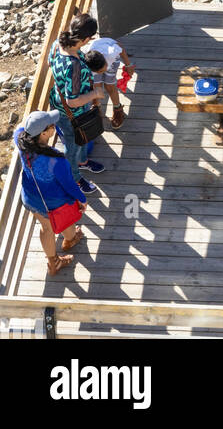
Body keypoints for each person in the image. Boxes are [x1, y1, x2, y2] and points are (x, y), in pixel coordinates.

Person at [14, 110, 90, 276]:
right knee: (67, 220)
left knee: (46, 227)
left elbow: (19, 129)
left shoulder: (20, 140)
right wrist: (82, 199)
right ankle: (70, 240)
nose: (54, 126)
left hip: (31, 199)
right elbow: (69, 185)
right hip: (55, 202)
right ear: (43, 133)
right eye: (51, 125)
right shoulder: (56, 161)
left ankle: (53, 261)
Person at [49, 14, 105, 191]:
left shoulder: (58, 44)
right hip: (70, 114)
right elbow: (72, 101)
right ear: (86, 39)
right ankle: (74, 178)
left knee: (80, 141)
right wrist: (95, 93)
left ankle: (83, 162)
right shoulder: (74, 65)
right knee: (72, 146)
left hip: (58, 104)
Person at [85, 28, 135, 130]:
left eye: (104, 69)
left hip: (111, 60)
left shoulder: (111, 53)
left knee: (109, 85)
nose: (103, 71)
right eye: (101, 71)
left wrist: (128, 65)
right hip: (96, 59)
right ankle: (96, 107)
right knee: (96, 86)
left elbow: (120, 47)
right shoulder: (87, 65)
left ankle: (118, 109)